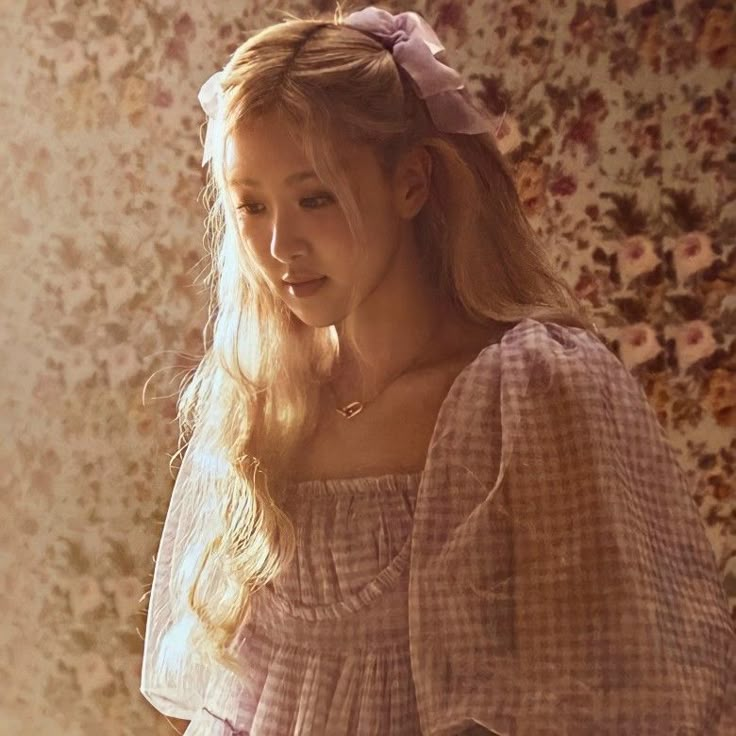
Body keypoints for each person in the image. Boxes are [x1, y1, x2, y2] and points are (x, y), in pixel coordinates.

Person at [140, 4, 736, 735]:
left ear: (412, 182)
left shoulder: (526, 394)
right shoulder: (265, 396)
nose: (279, 244)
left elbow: (589, 691)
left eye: (314, 197)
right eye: (251, 206)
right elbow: (239, 695)